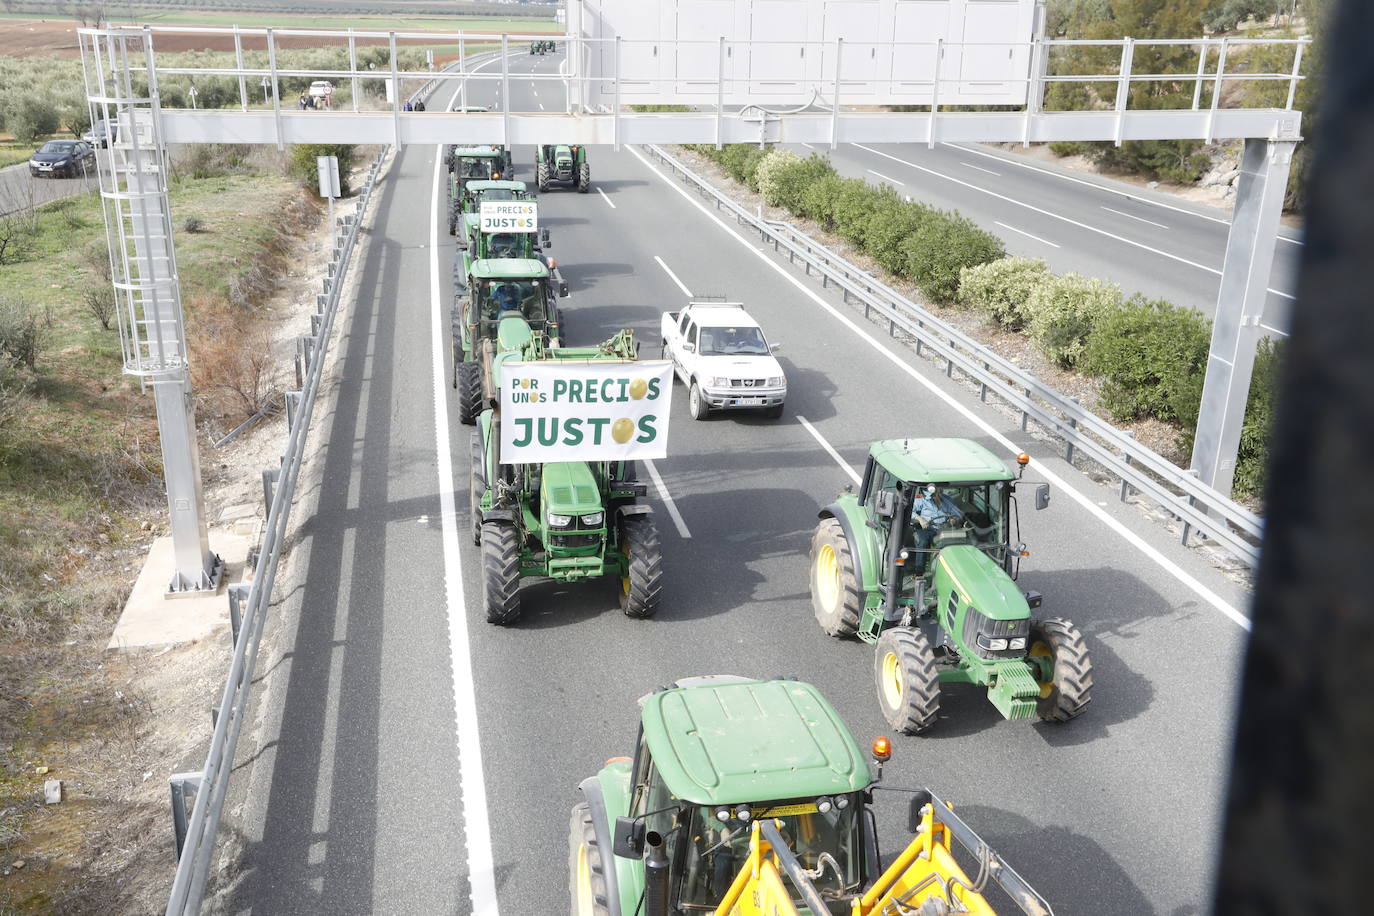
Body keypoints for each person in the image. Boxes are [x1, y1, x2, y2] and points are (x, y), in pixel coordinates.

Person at [909, 484, 962, 574]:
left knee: (956, 540)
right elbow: (910, 511)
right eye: (937, 490)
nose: (940, 491)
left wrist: (954, 519)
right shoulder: (921, 498)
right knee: (922, 542)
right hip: (926, 529)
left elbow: (958, 514)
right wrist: (920, 519)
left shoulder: (948, 500)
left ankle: (954, 571)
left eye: (941, 489)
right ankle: (919, 573)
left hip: (943, 528)